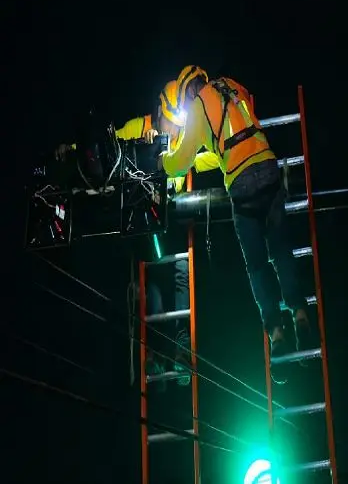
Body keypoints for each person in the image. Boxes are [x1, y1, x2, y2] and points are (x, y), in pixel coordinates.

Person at [54, 83, 219, 386]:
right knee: (151, 283)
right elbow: (106, 145)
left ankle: (181, 346)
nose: (174, 128)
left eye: (178, 123)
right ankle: (154, 354)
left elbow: (199, 157)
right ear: (160, 112)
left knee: (182, 272)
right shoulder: (137, 127)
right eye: (170, 120)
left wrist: (226, 154)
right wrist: (74, 151)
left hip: (173, 218)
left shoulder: (183, 138)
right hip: (143, 219)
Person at [157, 65, 314, 383]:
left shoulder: (199, 104)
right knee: (282, 250)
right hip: (268, 166)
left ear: (189, 90)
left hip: (242, 185)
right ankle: (300, 312)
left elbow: (181, 160)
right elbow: (228, 140)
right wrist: (202, 159)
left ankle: (277, 334)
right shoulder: (230, 85)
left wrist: (161, 160)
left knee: (257, 266)